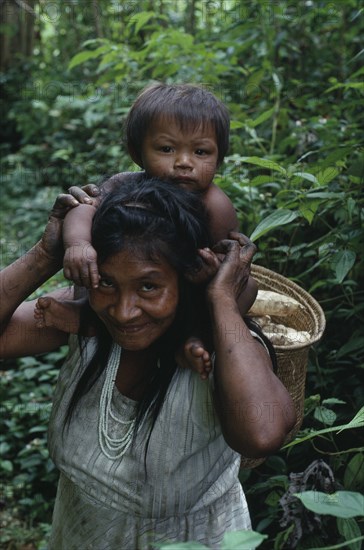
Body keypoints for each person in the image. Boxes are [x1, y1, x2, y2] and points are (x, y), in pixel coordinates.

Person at [0, 176, 296, 549]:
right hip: (80, 533)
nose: (124, 313)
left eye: (149, 287)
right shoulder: (84, 316)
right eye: (106, 283)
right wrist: (46, 254)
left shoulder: (219, 343)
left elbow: (262, 435)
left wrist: (220, 297)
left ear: (186, 279)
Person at [35, 83, 258, 378]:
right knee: (99, 272)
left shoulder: (216, 206)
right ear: (137, 152)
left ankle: (196, 339)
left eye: (201, 151)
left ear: (219, 158)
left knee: (248, 289)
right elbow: (83, 206)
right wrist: (78, 243)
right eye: (166, 149)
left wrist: (210, 272)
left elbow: (230, 263)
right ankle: (86, 318)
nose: (184, 162)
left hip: (188, 296)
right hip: (127, 292)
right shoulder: (126, 183)